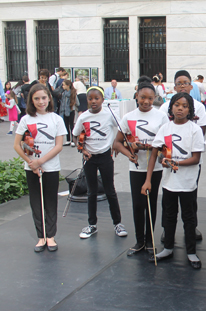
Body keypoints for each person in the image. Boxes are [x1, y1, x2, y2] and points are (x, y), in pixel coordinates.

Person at [142, 93, 204, 269]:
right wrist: (148, 180)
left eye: (185, 106)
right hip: (169, 182)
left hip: (188, 183)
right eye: (177, 105)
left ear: (190, 110)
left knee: (189, 218)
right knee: (169, 216)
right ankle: (168, 248)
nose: (180, 108)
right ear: (171, 108)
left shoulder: (195, 130)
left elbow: (196, 158)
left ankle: (191, 252)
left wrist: (176, 162)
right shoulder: (165, 128)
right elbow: (155, 153)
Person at [114, 82, 169, 258]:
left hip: (156, 167)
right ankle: (139, 241)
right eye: (143, 97)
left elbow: (167, 144)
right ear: (136, 96)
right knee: (138, 204)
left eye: (150, 98)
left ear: (155, 99)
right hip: (136, 167)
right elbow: (117, 142)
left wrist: (152, 146)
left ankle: (149, 240)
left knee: (151, 202)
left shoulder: (161, 116)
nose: (146, 101)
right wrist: (128, 152)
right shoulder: (128, 117)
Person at [13, 83, 67, 252]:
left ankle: (50, 236)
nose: (41, 101)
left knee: (50, 201)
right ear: (31, 100)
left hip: (50, 167)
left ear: (49, 98)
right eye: (36, 99)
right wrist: (32, 163)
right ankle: (41, 236)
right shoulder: (26, 119)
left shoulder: (56, 119)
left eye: (44, 98)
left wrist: (40, 161)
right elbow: (17, 145)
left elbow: (59, 146)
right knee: (36, 202)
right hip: (31, 168)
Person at [72, 86, 128, 239]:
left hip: (105, 156)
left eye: (97, 98)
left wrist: (117, 143)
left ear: (103, 100)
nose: (93, 101)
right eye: (90, 99)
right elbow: (75, 136)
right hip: (90, 158)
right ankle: (92, 225)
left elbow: (122, 129)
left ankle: (117, 223)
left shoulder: (109, 114)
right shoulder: (83, 117)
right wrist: (82, 149)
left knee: (110, 190)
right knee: (91, 191)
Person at [159, 70, 206, 241]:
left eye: (185, 82)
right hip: (170, 159)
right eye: (178, 83)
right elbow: (164, 134)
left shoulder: (199, 107)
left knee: (190, 197)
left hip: (190, 158)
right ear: (174, 86)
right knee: (168, 199)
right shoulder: (165, 107)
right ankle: (167, 229)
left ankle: (191, 228)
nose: (182, 86)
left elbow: (200, 132)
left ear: (191, 85)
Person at [59, 80, 79, 146]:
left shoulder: (72, 93)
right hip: (64, 110)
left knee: (71, 125)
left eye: (64, 85)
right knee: (66, 125)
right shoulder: (63, 93)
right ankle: (68, 140)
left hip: (71, 110)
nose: (62, 86)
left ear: (68, 85)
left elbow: (77, 102)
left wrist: (74, 106)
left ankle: (73, 140)